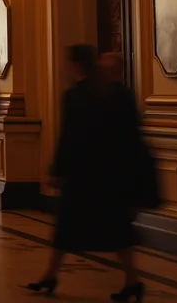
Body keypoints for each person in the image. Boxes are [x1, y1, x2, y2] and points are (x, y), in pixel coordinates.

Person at [27, 48, 157, 302]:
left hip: (83, 175)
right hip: (112, 174)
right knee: (117, 230)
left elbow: (69, 138)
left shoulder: (75, 96)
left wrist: (56, 170)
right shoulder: (121, 95)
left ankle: (51, 275)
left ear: (76, 65)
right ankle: (131, 281)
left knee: (66, 228)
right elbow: (132, 135)